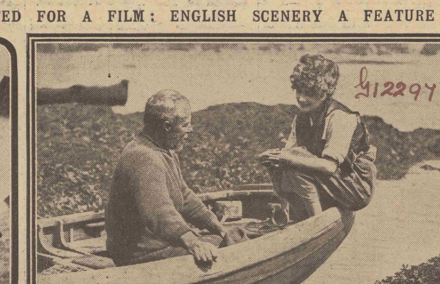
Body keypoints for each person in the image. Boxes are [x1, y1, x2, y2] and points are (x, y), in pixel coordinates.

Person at [105, 90, 246, 267]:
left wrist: (215, 225)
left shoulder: (164, 151)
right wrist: (194, 243)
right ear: (167, 126)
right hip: (142, 253)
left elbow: (184, 196)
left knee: (229, 235)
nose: (190, 129)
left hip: (159, 244)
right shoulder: (143, 157)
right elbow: (159, 211)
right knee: (235, 243)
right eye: (185, 124)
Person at [258, 54, 376, 222]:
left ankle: (316, 223)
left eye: (310, 93)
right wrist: (274, 158)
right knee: (280, 164)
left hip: (355, 185)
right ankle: (290, 215)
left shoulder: (339, 117)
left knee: (294, 164)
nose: (301, 98)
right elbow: (288, 152)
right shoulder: (301, 118)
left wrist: (288, 158)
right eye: (299, 91)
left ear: (324, 93)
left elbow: (329, 166)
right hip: (331, 180)